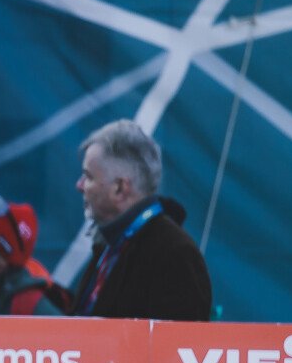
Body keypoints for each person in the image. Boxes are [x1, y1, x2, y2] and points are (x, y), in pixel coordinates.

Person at [72, 119, 212, 321]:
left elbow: (176, 340)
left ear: (120, 188)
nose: (79, 185)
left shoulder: (175, 255)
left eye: (89, 177)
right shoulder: (110, 243)